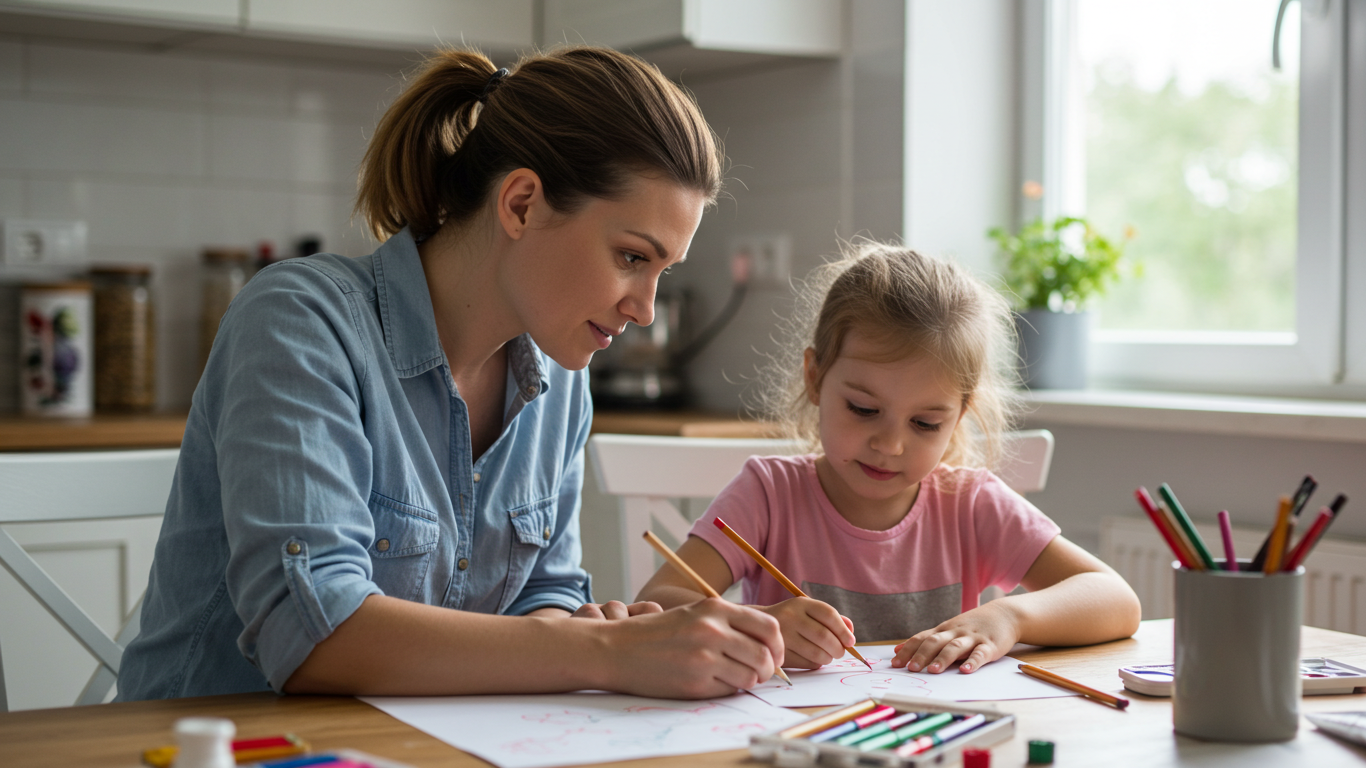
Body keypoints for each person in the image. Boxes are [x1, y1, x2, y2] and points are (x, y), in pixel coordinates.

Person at [116, 46, 786, 702]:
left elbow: (542, 591)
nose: (644, 310)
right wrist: (606, 652)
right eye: (632, 257)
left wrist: (588, 631)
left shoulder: (560, 375)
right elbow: (312, 635)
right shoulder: (302, 320)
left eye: (662, 273)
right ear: (522, 204)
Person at [637, 243, 1141, 674]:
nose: (890, 444)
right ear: (816, 377)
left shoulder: (970, 504)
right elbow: (658, 603)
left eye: (925, 424)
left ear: (959, 415)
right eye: (863, 409)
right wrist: (764, 627)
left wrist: (1008, 619)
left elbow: (1115, 600)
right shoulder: (769, 495)